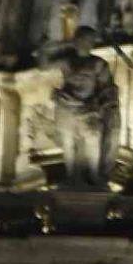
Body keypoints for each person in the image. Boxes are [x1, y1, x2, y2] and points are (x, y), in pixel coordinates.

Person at [41, 27, 120, 188]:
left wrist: (104, 103)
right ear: (76, 41)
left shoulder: (98, 64)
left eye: (88, 40)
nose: (85, 43)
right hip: (66, 106)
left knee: (92, 140)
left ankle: (93, 175)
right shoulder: (67, 61)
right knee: (68, 143)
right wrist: (44, 48)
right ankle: (72, 176)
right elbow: (44, 66)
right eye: (82, 40)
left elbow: (107, 88)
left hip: (88, 109)